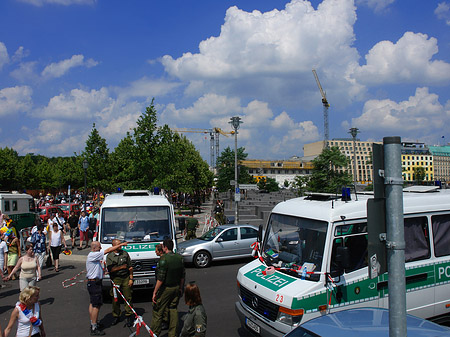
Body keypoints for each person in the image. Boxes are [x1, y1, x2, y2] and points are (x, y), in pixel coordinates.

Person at [86, 240, 128, 336]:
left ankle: (94, 321)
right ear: (94, 248)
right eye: (99, 247)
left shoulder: (93, 257)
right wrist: (121, 244)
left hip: (93, 282)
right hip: (94, 284)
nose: (101, 248)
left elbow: (96, 268)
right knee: (96, 305)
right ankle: (94, 326)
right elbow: (108, 250)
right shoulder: (93, 255)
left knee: (93, 304)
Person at [150, 238, 185, 337]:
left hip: (166, 288)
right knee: (173, 309)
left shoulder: (164, 259)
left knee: (158, 311)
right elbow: (182, 275)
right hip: (176, 287)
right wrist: (181, 288)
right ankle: (173, 334)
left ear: (165, 247)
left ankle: (155, 334)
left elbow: (160, 279)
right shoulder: (179, 258)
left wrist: (155, 292)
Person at [106, 239, 134, 327]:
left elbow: (130, 267)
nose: (120, 246)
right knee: (115, 298)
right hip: (116, 279)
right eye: (118, 245)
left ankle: (129, 315)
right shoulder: (110, 256)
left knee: (128, 297)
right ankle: (116, 315)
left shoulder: (125, 254)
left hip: (125, 277)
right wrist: (121, 267)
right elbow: (110, 269)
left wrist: (131, 278)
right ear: (114, 245)